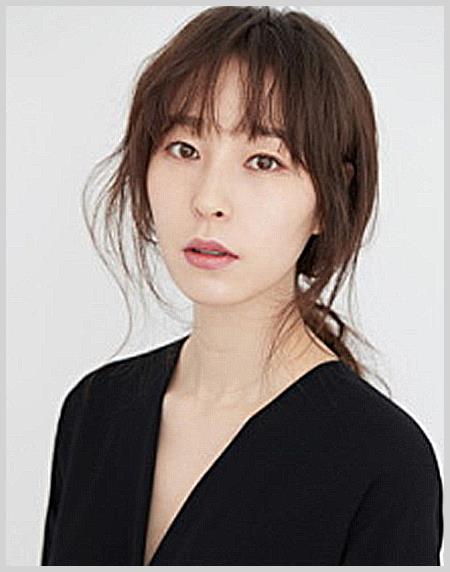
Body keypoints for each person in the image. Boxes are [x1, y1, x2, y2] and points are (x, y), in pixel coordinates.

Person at [40, 6, 443, 566]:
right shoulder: (96, 411)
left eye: (263, 161)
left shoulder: (383, 463)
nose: (208, 200)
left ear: (330, 197)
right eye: (185, 149)